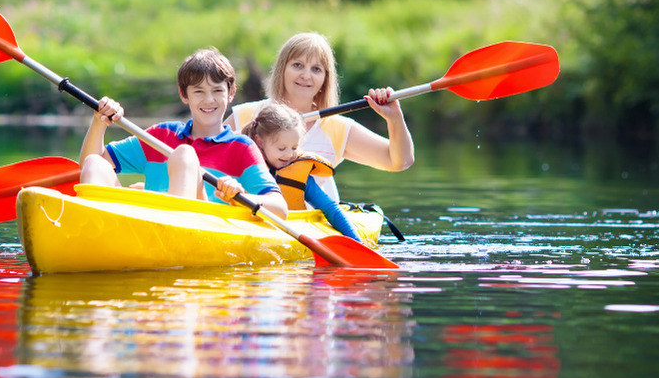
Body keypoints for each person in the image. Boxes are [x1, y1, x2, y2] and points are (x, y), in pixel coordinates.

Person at [79, 47, 289, 220]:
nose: (209, 100)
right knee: (95, 164)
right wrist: (99, 122)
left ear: (231, 93)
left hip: (198, 228)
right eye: (199, 91)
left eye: (217, 91)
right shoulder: (161, 135)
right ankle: (93, 232)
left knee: (184, 155)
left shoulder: (241, 148)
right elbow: (90, 164)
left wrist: (240, 195)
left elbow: (280, 207)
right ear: (184, 94)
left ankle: (171, 227)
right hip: (145, 227)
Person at [227, 32, 415, 201]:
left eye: (316, 69)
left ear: (325, 78)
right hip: (253, 214)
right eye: (297, 65)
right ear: (282, 70)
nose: (306, 75)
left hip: (313, 224)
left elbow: (399, 161)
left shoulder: (337, 128)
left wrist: (394, 118)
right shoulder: (246, 115)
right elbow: (204, 151)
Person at [241, 101, 362, 241]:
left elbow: (330, 208)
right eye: (281, 148)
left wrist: (357, 242)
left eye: (294, 148)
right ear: (260, 141)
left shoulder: (300, 174)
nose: (288, 155)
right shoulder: (243, 167)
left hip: (288, 234)